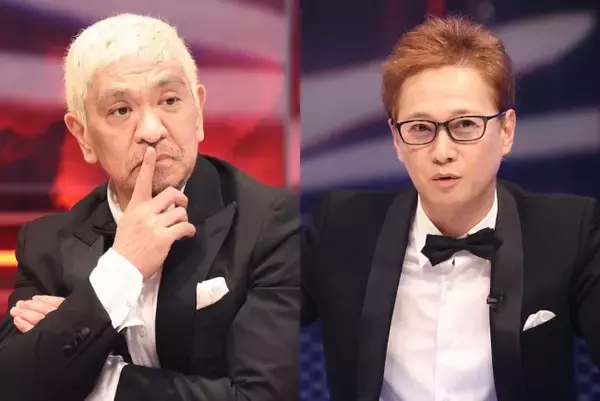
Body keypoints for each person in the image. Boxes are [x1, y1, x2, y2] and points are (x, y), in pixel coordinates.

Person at [0, 13, 300, 401]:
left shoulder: (273, 224)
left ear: (198, 112)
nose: (152, 130)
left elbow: (262, 397)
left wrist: (104, 379)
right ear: (83, 135)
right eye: (121, 110)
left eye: (170, 101)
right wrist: (121, 269)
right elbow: (13, 387)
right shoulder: (46, 245)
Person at [302, 15, 600, 401]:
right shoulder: (341, 228)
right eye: (420, 128)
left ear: (506, 131)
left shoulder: (567, 232)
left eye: (465, 125)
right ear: (397, 140)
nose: (442, 152)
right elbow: (257, 313)